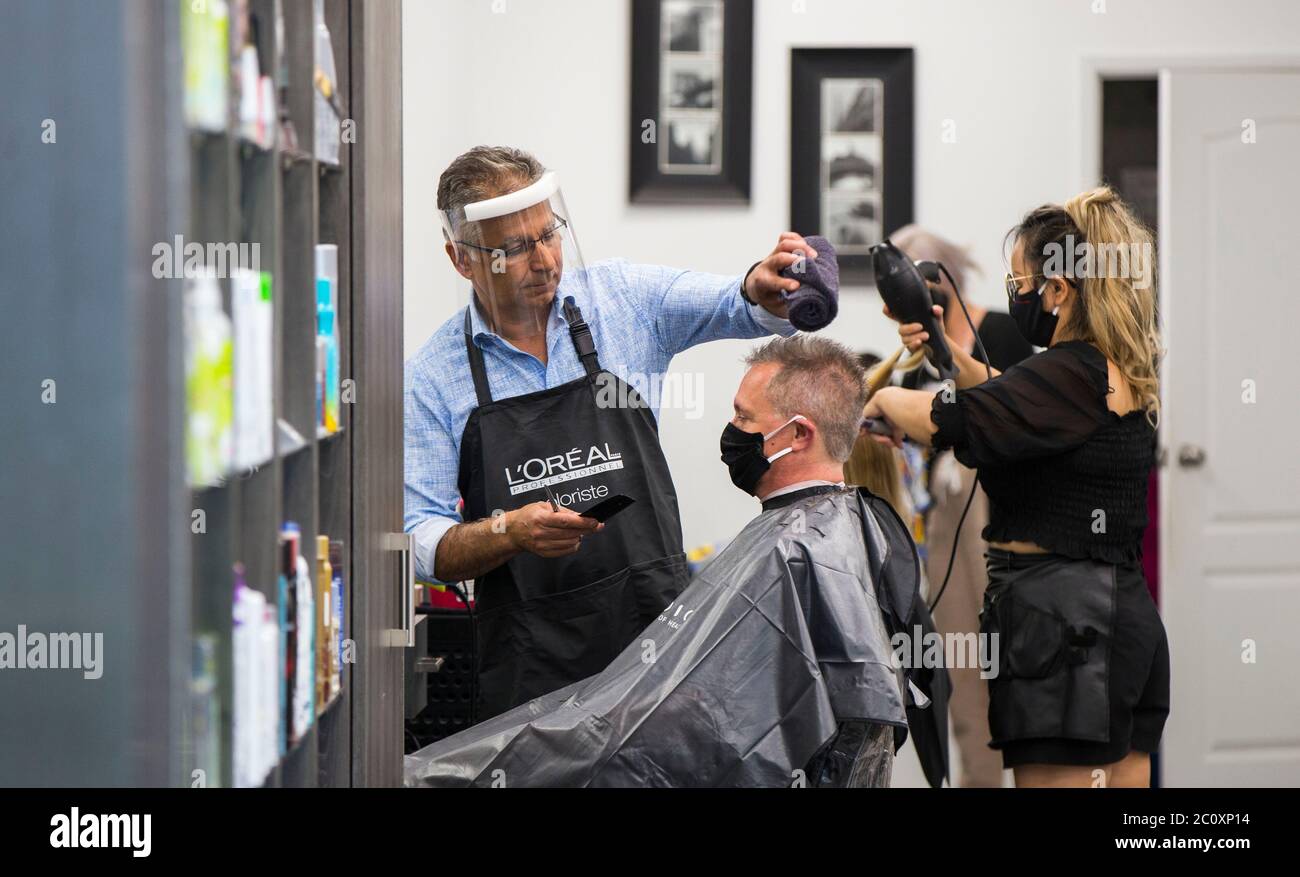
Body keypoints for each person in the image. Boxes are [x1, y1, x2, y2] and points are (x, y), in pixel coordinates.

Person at [405, 335, 946, 787]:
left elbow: (680, 727)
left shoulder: (795, 552)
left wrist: (447, 770)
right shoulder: (849, 527)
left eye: (743, 416)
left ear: (798, 434)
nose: (731, 430)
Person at [404, 145, 818, 719]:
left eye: (549, 235)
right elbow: (421, 541)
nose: (545, 261)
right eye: (515, 249)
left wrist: (766, 284)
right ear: (461, 259)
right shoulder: (433, 377)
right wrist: (509, 531)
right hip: (531, 679)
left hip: (656, 651)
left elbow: (741, 303)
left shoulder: (623, 301)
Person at [862, 186, 1169, 788]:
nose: (1015, 296)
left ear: (1058, 290)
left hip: (1066, 634)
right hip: (1115, 620)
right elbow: (1006, 391)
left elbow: (951, 417)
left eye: (1021, 283)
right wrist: (950, 351)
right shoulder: (1100, 365)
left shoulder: (1070, 371)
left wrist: (881, 397)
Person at [888, 226, 1033, 788]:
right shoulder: (916, 350)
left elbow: (1022, 418)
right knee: (961, 664)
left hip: (1002, 516)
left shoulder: (1002, 331)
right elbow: (908, 433)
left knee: (1011, 665)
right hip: (945, 523)